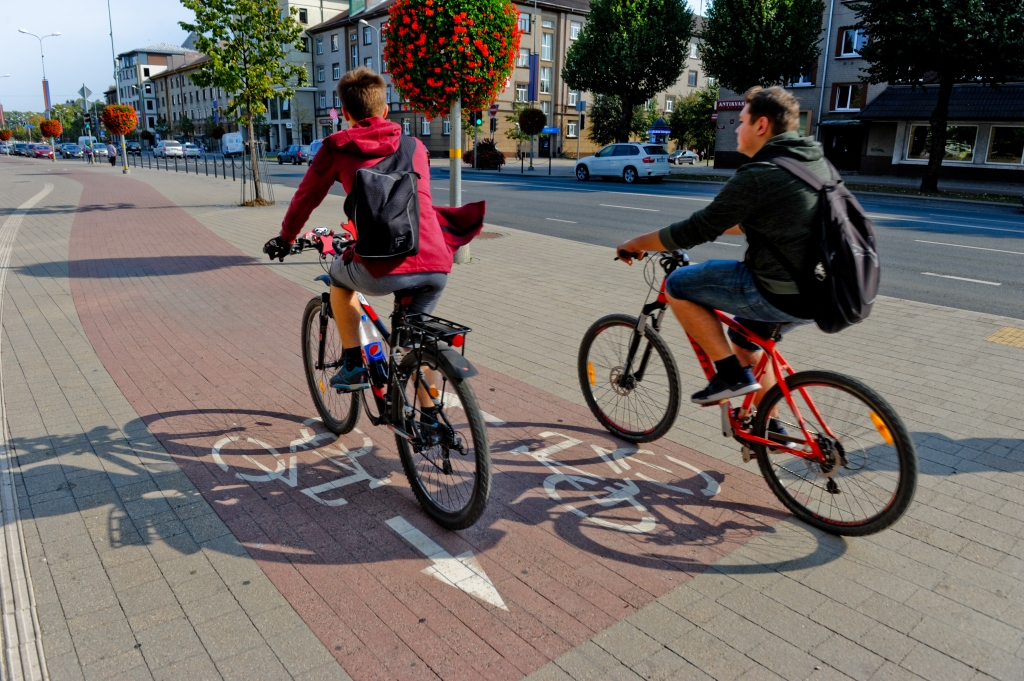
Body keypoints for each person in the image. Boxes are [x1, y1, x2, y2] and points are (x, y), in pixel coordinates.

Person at [265, 67, 482, 392]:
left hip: (382, 266)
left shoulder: (336, 148)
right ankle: (428, 420)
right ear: (385, 110)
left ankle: (354, 365)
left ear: (346, 113)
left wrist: (286, 238)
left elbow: (304, 200)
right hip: (436, 261)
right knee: (413, 340)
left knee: (339, 279)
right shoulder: (414, 146)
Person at [616, 85, 827, 413]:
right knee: (744, 341)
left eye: (741, 121)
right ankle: (771, 426)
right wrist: (709, 224)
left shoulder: (761, 174)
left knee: (678, 285)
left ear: (761, 125)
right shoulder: (811, 161)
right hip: (818, 291)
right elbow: (759, 222)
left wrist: (635, 244)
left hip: (775, 291)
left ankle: (729, 375)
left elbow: (696, 230)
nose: (736, 128)